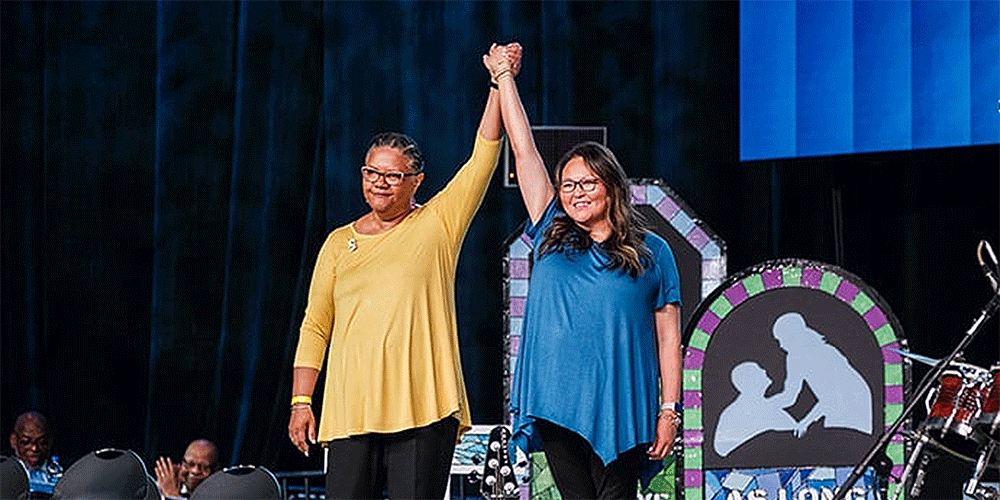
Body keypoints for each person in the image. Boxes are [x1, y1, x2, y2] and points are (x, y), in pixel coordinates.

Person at [287, 43, 519, 500]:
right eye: (372, 172)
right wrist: (301, 402)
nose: (380, 182)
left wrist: (498, 82)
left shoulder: (437, 224)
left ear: (416, 182)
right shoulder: (337, 243)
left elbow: (482, 159)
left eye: (393, 176)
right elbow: (315, 326)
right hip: (352, 409)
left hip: (422, 407)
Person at [490, 44, 683, 499]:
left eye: (587, 183)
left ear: (612, 186)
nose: (575, 193)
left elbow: (669, 337)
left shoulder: (652, 252)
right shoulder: (550, 235)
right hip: (558, 402)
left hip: (624, 405)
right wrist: (505, 79)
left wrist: (669, 411)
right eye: (567, 185)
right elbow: (524, 151)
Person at [713, 361, 797, 457]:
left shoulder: (766, 405)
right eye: (759, 369)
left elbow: (789, 398)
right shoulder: (734, 412)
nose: (764, 371)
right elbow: (722, 449)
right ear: (749, 381)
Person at [8, 410, 63, 496]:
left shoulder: (64, 472)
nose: (34, 448)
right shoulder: (4, 473)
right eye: (26, 442)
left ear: (50, 441)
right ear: (13, 441)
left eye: (42, 442)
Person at [154, 439, 220, 499]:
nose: (195, 471)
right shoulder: (167, 486)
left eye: (204, 467)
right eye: (190, 464)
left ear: (215, 471)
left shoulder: (220, 495)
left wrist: (172, 496)